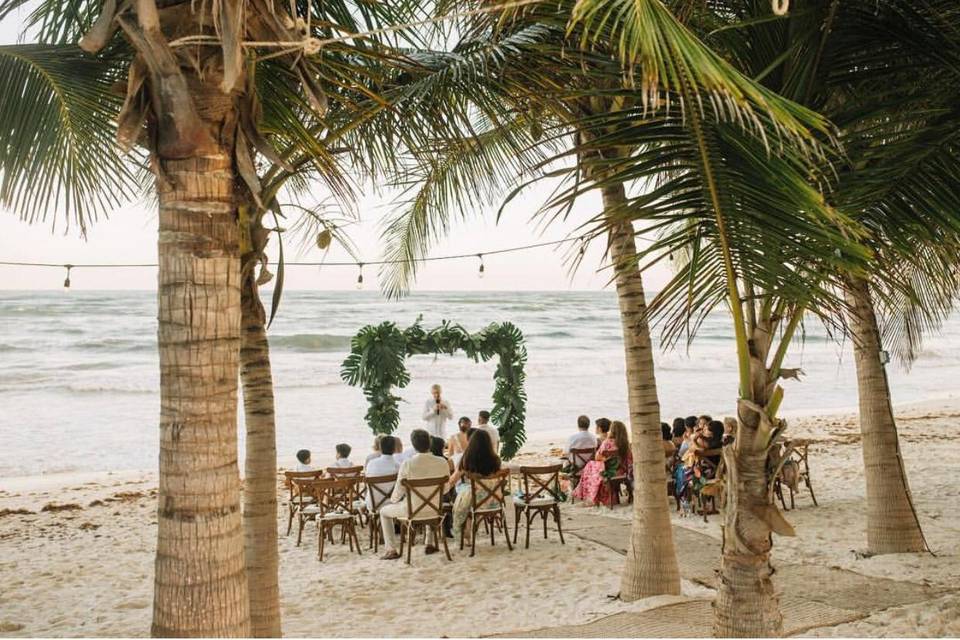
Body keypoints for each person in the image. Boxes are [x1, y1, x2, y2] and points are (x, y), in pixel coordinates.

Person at [379, 429, 450, 560]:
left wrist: (394, 500)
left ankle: (391, 550)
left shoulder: (407, 464)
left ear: (413, 445)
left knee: (383, 512)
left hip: (412, 511)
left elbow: (397, 494)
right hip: (435, 510)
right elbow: (446, 489)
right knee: (429, 501)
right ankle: (429, 543)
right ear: (429, 443)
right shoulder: (442, 462)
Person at [446, 429, 501, 540]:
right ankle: (469, 528)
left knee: (464, 492)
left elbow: (453, 480)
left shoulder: (467, 459)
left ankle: (466, 530)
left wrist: (441, 489)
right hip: (495, 499)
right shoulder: (496, 459)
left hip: (475, 500)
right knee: (469, 491)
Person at [572, 420, 631, 506]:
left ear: (612, 431)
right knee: (593, 467)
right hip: (622, 472)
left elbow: (597, 457)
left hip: (609, 472)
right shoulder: (626, 444)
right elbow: (630, 459)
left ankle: (589, 496)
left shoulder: (607, 443)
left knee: (591, 466)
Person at [364, 435, 400, 511]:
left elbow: (367, 485)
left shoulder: (371, 464)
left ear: (380, 448)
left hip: (373, 504)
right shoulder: (398, 466)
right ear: (394, 449)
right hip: (392, 504)